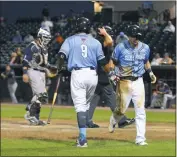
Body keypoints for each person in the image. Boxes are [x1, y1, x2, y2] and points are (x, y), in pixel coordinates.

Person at [57, 17, 109, 147]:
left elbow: (61, 56)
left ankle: (82, 139)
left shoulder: (70, 40)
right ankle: (82, 137)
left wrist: (61, 68)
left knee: (80, 107)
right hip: (93, 75)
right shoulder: (96, 42)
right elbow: (102, 62)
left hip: (78, 74)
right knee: (85, 106)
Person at [109, 25, 157, 146]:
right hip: (124, 81)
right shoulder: (120, 47)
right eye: (134, 36)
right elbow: (113, 62)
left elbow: (146, 61)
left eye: (138, 37)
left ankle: (140, 139)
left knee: (140, 111)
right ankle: (114, 119)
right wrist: (112, 74)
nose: (136, 39)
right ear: (129, 36)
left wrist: (150, 72)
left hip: (138, 81)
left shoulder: (145, 47)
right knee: (121, 109)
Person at [87, 26, 135, 128]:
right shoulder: (101, 43)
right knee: (111, 97)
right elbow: (109, 42)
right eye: (109, 34)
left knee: (95, 97)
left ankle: (87, 120)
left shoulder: (99, 44)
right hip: (100, 74)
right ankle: (121, 120)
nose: (111, 36)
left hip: (98, 74)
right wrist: (105, 34)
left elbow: (109, 62)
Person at [22, 27, 57, 126]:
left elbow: (44, 63)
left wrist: (52, 67)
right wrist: (24, 72)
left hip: (42, 72)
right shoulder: (32, 46)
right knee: (41, 95)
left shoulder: (44, 48)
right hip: (33, 71)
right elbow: (25, 60)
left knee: (39, 96)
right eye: (45, 38)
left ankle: (34, 116)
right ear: (40, 37)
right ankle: (31, 115)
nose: (47, 40)